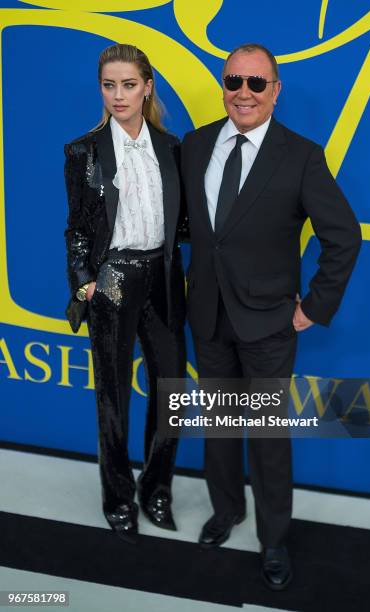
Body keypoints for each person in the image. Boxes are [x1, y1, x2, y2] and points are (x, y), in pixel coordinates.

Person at [181, 43, 361, 589]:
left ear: (275, 91)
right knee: (218, 427)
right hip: (207, 315)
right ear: (223, 84)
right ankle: (226, 510)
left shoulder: (301, 155)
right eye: (235, 80)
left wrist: (313, 308)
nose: (244, 92)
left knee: (264, 436)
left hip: (269, 324)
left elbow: (344, 237)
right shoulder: (194, 145)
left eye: (257, 83)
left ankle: (274, 535)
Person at [64, 44, 186, 543]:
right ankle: (118, 499)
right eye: (109, 85)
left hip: (162, 273)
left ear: (147, 86)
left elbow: (185, 221)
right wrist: (83, 281)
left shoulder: (174, 148)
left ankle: (157, 490)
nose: (119, 95)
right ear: (101, 89)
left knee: (170, 388)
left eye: (129, 84)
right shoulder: (82, 151)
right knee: (112, 396)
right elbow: (75, 229)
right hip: (111, 277)